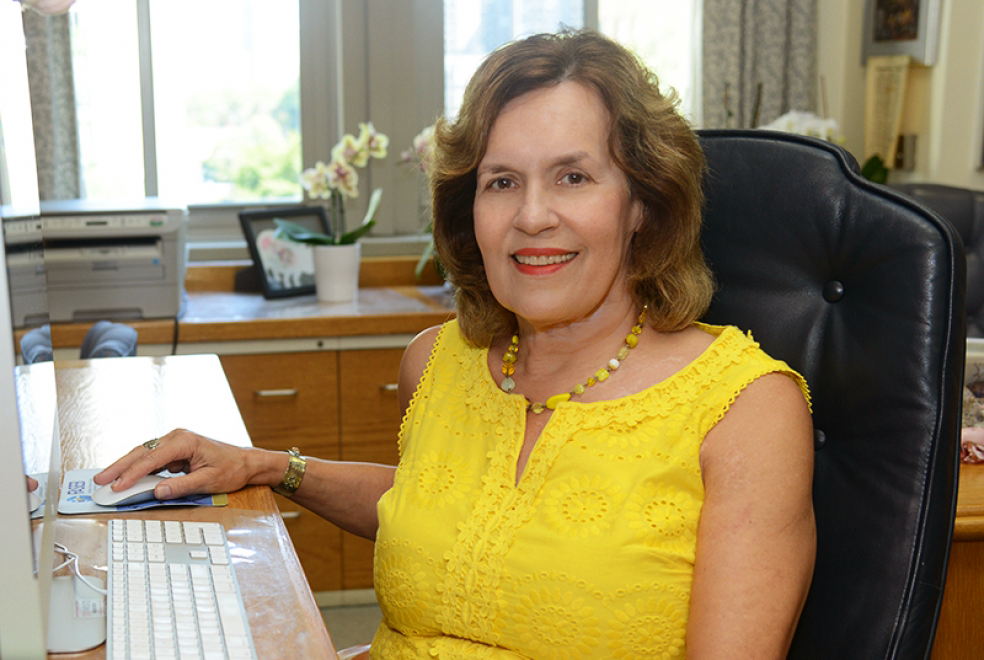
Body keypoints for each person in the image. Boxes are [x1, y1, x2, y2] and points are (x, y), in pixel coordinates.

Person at [97, 29, 815, 659]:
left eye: (573, 176)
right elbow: (435, 515)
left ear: (643, 205)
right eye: (502, 182)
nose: (532, 216)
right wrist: (269, 467)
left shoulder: (746, 409)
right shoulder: (439, 360)